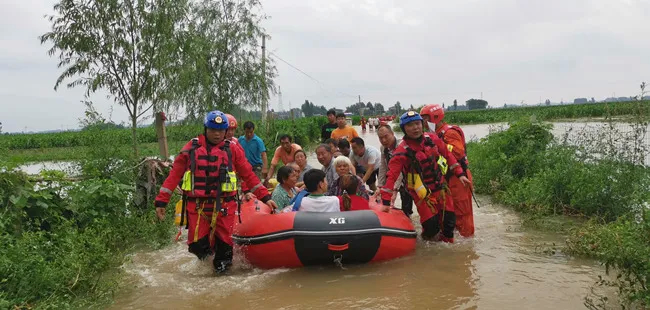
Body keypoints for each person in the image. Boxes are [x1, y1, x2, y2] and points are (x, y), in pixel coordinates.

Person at [154, 110, 277, 274]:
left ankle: (222, 275)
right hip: (198, 205)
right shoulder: (192, 147)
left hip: (225, 205)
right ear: (206, 129)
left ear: (226, 131)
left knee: (224, 247)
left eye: (221, 130)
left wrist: (265, 196)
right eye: (213, 130)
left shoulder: (233, 149)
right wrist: (162, 200)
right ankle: (208, 260)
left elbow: (248, 174)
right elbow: (174, 175)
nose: (217, 134)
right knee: (196, 245)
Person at [380, 111, 471, 243]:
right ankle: (426, 243)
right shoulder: (401, 151)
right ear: (404, 129)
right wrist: (386, 202)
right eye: (410, 125)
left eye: (417, 123)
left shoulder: (432, 139)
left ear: (422, 124)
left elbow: (448, 155)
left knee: (449, 223)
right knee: (431, 227)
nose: (415, 128)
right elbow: (391, 176)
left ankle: (447, 248)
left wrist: (460, 174)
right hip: (421, 193)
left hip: (440, 188)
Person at [421, 104, 474, 237]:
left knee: (462, 212)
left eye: (426, 119)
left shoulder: (449, 132)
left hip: (458, 178)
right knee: (446, 211)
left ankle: (466, 242)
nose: (424, 123)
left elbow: (458, 152)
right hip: (445, 179)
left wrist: (437, 147)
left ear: (435, 117)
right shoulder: (434, 134)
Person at [374, 124, 413, 218]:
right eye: (380, 138)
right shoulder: (383, 148)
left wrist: (394, 189)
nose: (383, 140)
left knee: (407, 201)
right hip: (393, 175)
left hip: (408, 176)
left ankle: (409, 220)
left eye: (386, 136)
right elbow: (383, 167)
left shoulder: (401, 145)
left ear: (392, 133)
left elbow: (401, 169)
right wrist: (380, 186)